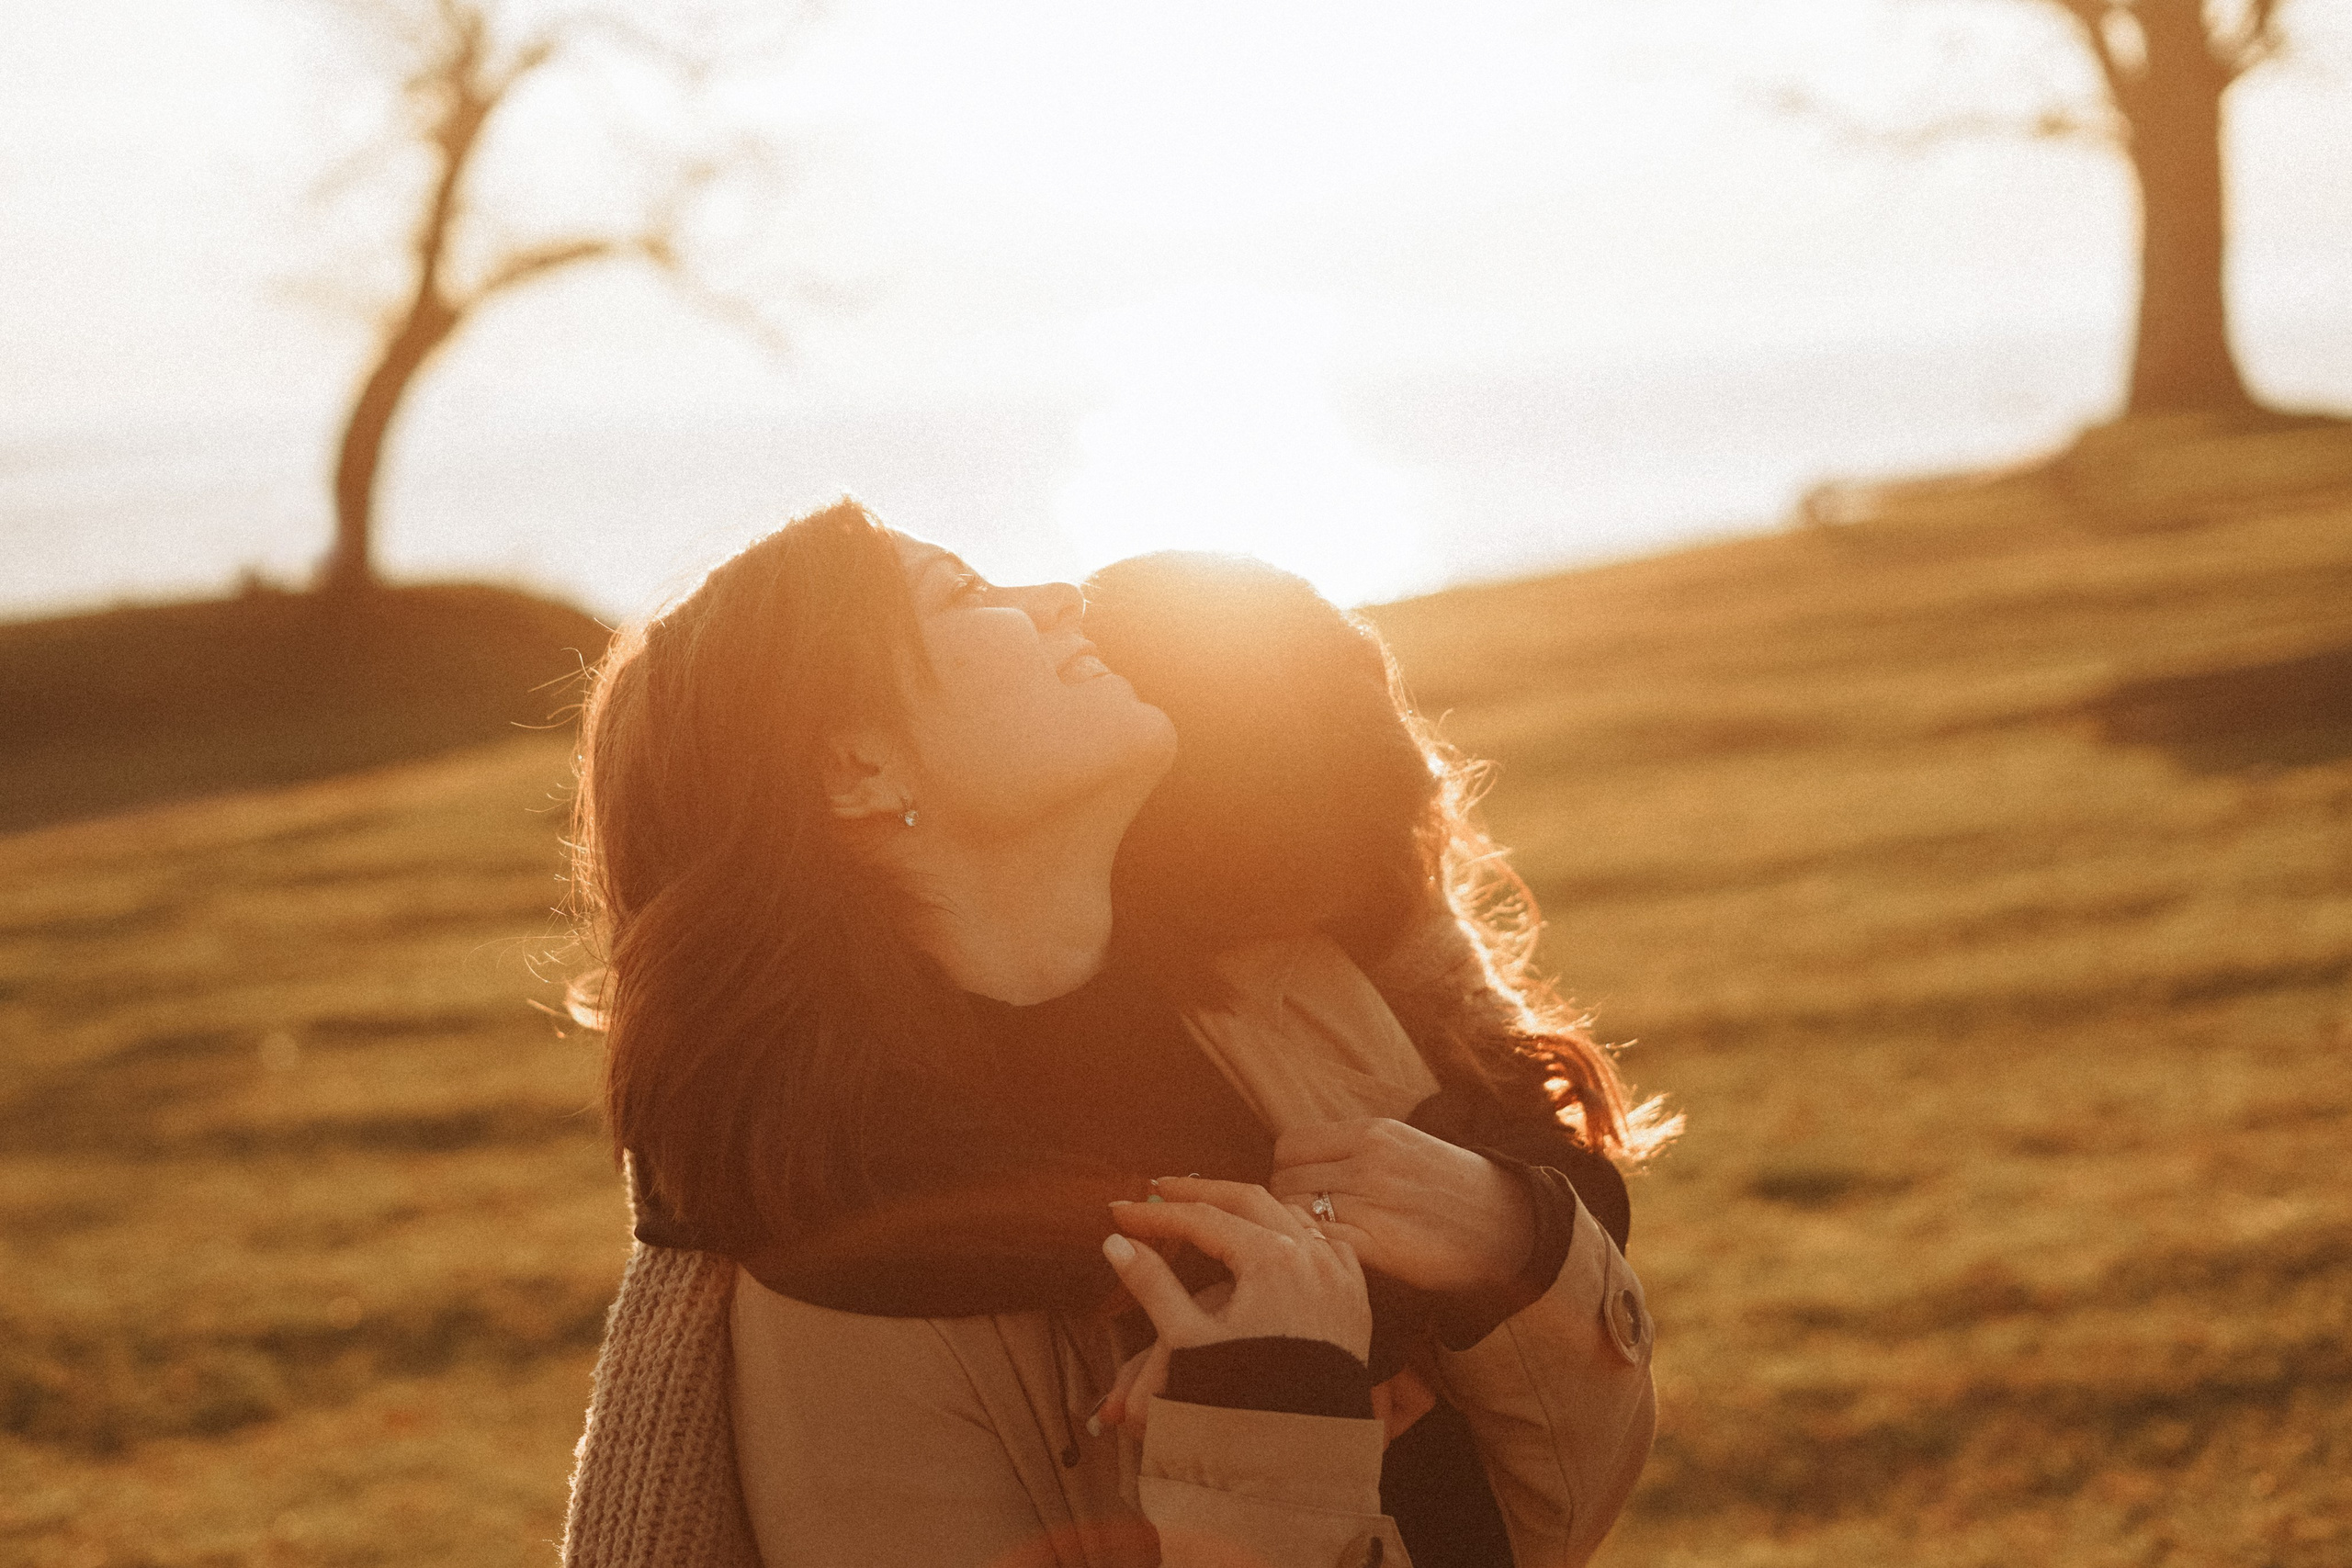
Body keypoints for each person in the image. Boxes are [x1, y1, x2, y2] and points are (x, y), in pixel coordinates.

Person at [560, 502, 1667, 1568]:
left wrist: (1507, 1247)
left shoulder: (1288, 997)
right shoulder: (856, 1278)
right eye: (967, 592)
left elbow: (1541, 1527)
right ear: (860, 769)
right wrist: (1269, 1411)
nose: (1059, 597)